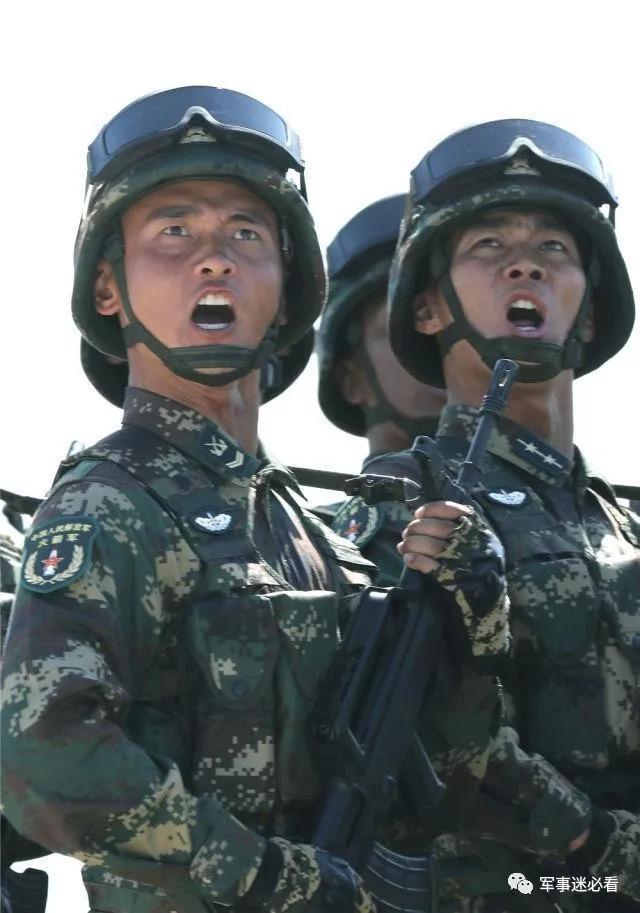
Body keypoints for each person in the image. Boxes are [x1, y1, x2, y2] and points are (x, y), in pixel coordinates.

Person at [0, 87, 509, 913]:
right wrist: (263, 873)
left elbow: (444, 788)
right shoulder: (108, 504)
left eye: (246, 233)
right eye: (174, 231)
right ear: (108, 289)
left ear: (287, 285)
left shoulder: (316, 533)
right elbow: (45, 756)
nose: (214, 259)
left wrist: (472, 634)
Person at [383, 119, 640, 910]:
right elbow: (414, 735)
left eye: (554, 247)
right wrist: (600, 848)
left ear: (587, 314)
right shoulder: (403, 502)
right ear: (429, 309)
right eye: (488, 244)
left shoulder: (622, 526)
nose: (525, 263)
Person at [315, 195, 446, 582]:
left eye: (454, 322)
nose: (437, 344)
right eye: (405, 328)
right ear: (351, 379)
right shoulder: (316, 548)